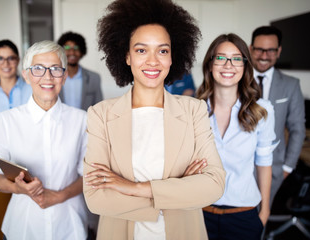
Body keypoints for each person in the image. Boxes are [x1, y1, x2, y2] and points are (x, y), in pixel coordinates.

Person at [83, 0, 226, 239]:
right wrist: (179, 191)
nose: (153, 60)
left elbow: (214, 185)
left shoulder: (194, 111)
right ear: (127, 56)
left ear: (172, 57)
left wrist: (133, 188)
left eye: (162, 50)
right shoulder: (101, 115)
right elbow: (96, 198)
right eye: (141, 50)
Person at [0, 40, 88, 240]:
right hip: (24, 225)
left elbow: (89, 175)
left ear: (64, 76)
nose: (47, 76)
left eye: (55, 69)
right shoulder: (6, 121)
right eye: (38, 69)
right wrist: (16, 188)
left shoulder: (82, 120)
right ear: (26, 75)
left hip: (69, 224)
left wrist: (59, 195)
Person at [197, 33, 277, 240]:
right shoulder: (193, 110)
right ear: (210, 64)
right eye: (221, 58)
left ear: (245, 65)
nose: (228, 65)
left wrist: (265, 211)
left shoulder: (262, 111)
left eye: (236, 58)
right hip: (198, 213)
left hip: (244, 215)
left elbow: (264, 163)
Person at [249, 26, 306, 205]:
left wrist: (287, 167)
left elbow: (297, 128)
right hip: (237, 165)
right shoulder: (235, 78)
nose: (264, 56)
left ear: (279, 51)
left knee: (260, 220)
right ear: (251, 49)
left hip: (274, 167)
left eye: (271, 50)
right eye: (259, 49)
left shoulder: (291, 85)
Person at [57, 31, 103, 110]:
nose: (72, 52)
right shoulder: (53, 76)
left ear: (82, 51)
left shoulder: (94, 78)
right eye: (67, 48)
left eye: (76, 48)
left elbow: (99, 107)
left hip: (85, 121)